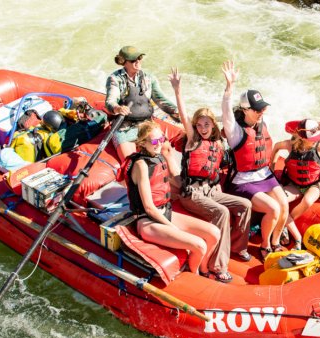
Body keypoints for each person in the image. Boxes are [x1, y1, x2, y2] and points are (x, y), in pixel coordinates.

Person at [168, 67, 253, 282]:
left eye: (206, 124)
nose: (203, 128)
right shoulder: (193, 140)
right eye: (199, 125)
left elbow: (227, 113)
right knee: (222, 212)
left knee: (245, 205)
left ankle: (237, 247)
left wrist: (229, 86)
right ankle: (218, 266)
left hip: (213, 190)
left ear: (213, 125)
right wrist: (177, 90)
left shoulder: (219, 143)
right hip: (193, 194)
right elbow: (183, 115)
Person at [122, 120, 221, 276]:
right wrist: (172, 228)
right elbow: (149, 208)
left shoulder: (158, 157)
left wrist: (186, 187)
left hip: (165, 212)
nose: (159, 144)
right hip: (147, 221)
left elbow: (162, 182)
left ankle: (203, 269)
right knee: (200, 245)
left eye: (161, 139)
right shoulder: (141, 165)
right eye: (154, 141)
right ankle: (194, 275)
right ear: (143, 143)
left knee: (214, 233)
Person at [220, 61, 289, 259]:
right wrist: (229, 86)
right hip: (244, 180)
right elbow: (226, 112)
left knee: (283, 204)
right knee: (273, 208)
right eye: (257, 110)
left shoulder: (261, 122)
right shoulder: (235, 131)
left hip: (264, 174)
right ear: (245, 110)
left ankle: (275, 241)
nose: (261, 113)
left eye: (262, 109)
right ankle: (265, 246)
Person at [270, 119, 320, 249]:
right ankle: (292, 232)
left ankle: (285, 223)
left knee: (307, 201)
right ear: (302, 138)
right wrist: (271, 168)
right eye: (314, 138)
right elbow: (276, 146)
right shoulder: (290, 145)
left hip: (313, 185)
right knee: (279, 201)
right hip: (293, 184)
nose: (317, 140)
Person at [105, 46, 179, 161]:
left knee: (166, 150)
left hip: (147, 124)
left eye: (139, 58)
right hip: (125, 127)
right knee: (130, 161)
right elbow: (110, 101)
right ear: (124, 62)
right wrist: (118, 108)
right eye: (133, 60)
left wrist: (178, 113)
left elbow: (161, 100)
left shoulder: (149, 78)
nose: (138, 61)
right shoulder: (115, 78)